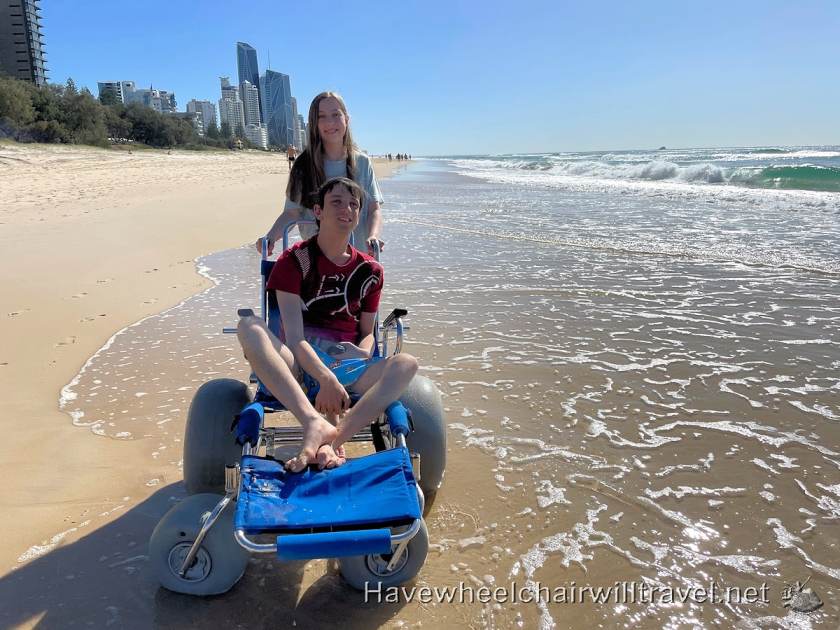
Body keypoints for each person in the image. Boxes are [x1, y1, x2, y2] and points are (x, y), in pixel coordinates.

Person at [238, 177, 418, 472]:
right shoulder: (294, 261)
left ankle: (333, 438)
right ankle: (312, 420)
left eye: (353, 204)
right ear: (318, 211)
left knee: (407, 364)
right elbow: (294, 338)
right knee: (248, 326)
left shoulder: (370, 271)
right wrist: (326, 379)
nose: (346, 209)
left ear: (359, 214)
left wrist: (360, 352)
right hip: (298, 362)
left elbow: (367, 334)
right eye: (336, 202)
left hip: (348, 364)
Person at [256, 92, 384, 256]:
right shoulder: (303, 165)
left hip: (356, 259)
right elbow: (292, 213)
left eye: (336, 114)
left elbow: (374, 209)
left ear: (346, 119)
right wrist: (270, 237)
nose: (330, 122)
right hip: (317, 260)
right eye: (321, 117)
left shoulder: (362, 162)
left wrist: (373, 236)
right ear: (314, 124)